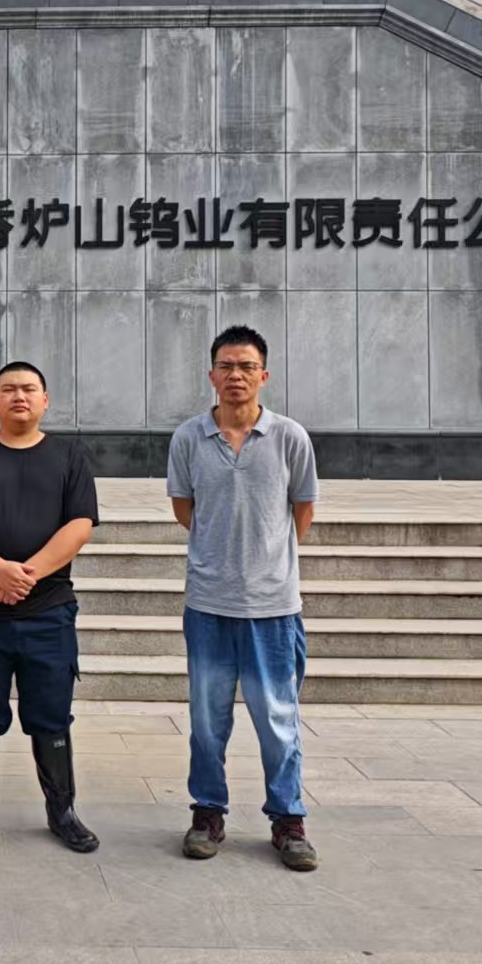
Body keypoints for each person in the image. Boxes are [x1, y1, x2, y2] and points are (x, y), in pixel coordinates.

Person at [167, 324, 320, 872]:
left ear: (264, 375)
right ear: (211, 375)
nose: (236, 375)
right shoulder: (189, 438)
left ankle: (288, 819)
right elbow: (184, 508)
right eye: (227, 366)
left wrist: (265, 559)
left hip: (273, 609)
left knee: (278, 720)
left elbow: (302, 509)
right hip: (209, 604)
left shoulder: (289, 437)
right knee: (207, 720)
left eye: (247, 367)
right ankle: (207, 812)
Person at [0, 361, 101, 853]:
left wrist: (24, 576)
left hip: (48, 613)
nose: (19, 396)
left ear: (45, 400)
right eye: (8, 389)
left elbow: (80, 525)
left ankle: (62, 810)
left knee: (52, 714)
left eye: (29, 389)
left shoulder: (70, 456)